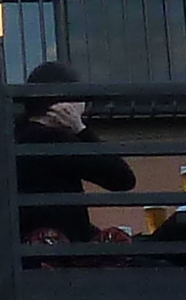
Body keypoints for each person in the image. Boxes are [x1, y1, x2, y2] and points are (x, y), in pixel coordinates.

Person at [10, 58, 135, 244]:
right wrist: (81, 129)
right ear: (64, 106)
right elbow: (123, 180)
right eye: (79, 97)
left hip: (29, 246)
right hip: (60, 253)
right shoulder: (54, 141)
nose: (84, 104)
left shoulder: (17, 135)